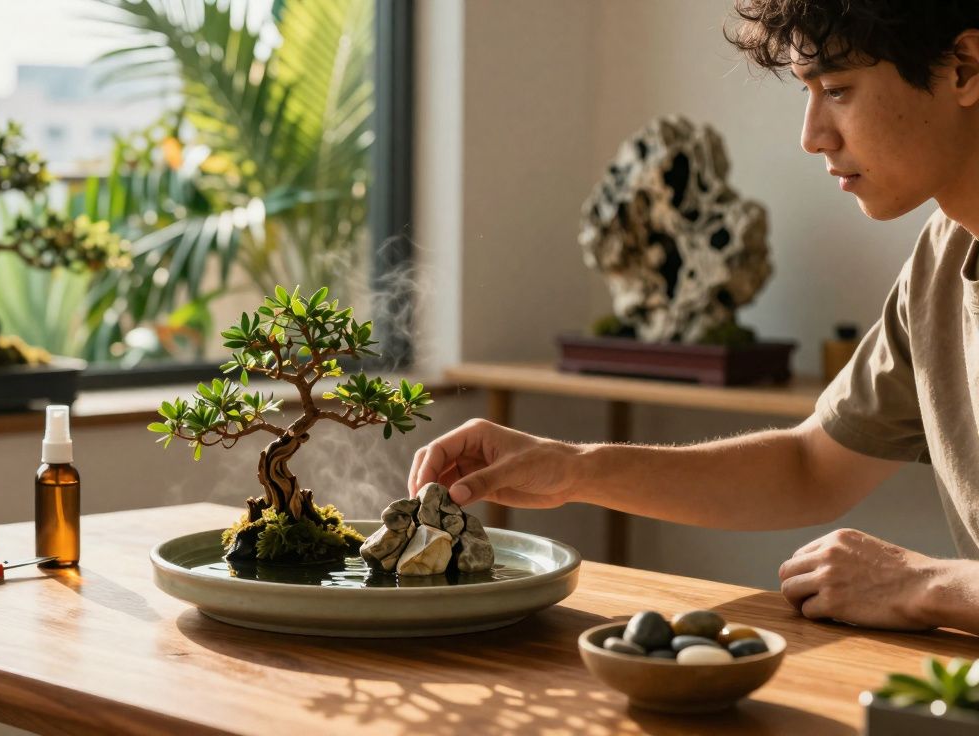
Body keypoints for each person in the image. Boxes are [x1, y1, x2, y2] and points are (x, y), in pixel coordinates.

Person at [409, 0, 979, 635]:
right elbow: (809, 466)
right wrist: (572, 467)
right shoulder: (944, 255)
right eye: (808, 93)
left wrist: (924, 582)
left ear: (964, 67)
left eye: (838, 90)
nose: (812, 134)